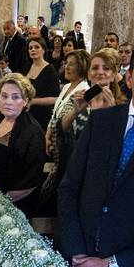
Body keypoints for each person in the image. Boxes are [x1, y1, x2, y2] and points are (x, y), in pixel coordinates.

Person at [59, 39, 134, 267]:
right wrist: (77, 255)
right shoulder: (102, 121)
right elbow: (70, 187)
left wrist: (108, 265)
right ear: (129, 76)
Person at [0, 73, 46, 216]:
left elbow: (31, 180)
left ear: (25, 101)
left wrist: (0, 202)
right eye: (4, 96)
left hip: (13, 207)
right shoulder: (0, 118)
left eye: (15, 97)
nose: (8, 101)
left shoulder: (32, 132)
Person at [38, 49, 90, 217]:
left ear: (81, 66)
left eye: (72, 64)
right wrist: (47, 135)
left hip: (66, 148)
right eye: (66, 63)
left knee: (53, 188)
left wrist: (53, 138)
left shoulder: (83, 91)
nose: (67, 67)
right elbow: (55, 114)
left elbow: (68, 125)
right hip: (54, 142)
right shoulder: (67, 86)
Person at [61, 48, 128, 143]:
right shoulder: (77, 97)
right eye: (95, 68)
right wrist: (75, 111)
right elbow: (62, 128)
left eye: (106, 68)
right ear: (88, 74)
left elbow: (119, 139)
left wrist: (112, 113)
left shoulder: (121, 105)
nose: (100, 72)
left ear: (113, 75)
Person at [25, 37, 61, 129]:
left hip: (42, 117)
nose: (33, 50)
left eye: (37, 47)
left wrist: (33, 101)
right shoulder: (27, 66)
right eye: (30, 48)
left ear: (43, 50)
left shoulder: (50, 70)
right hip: (26, 115)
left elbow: (56, 98)